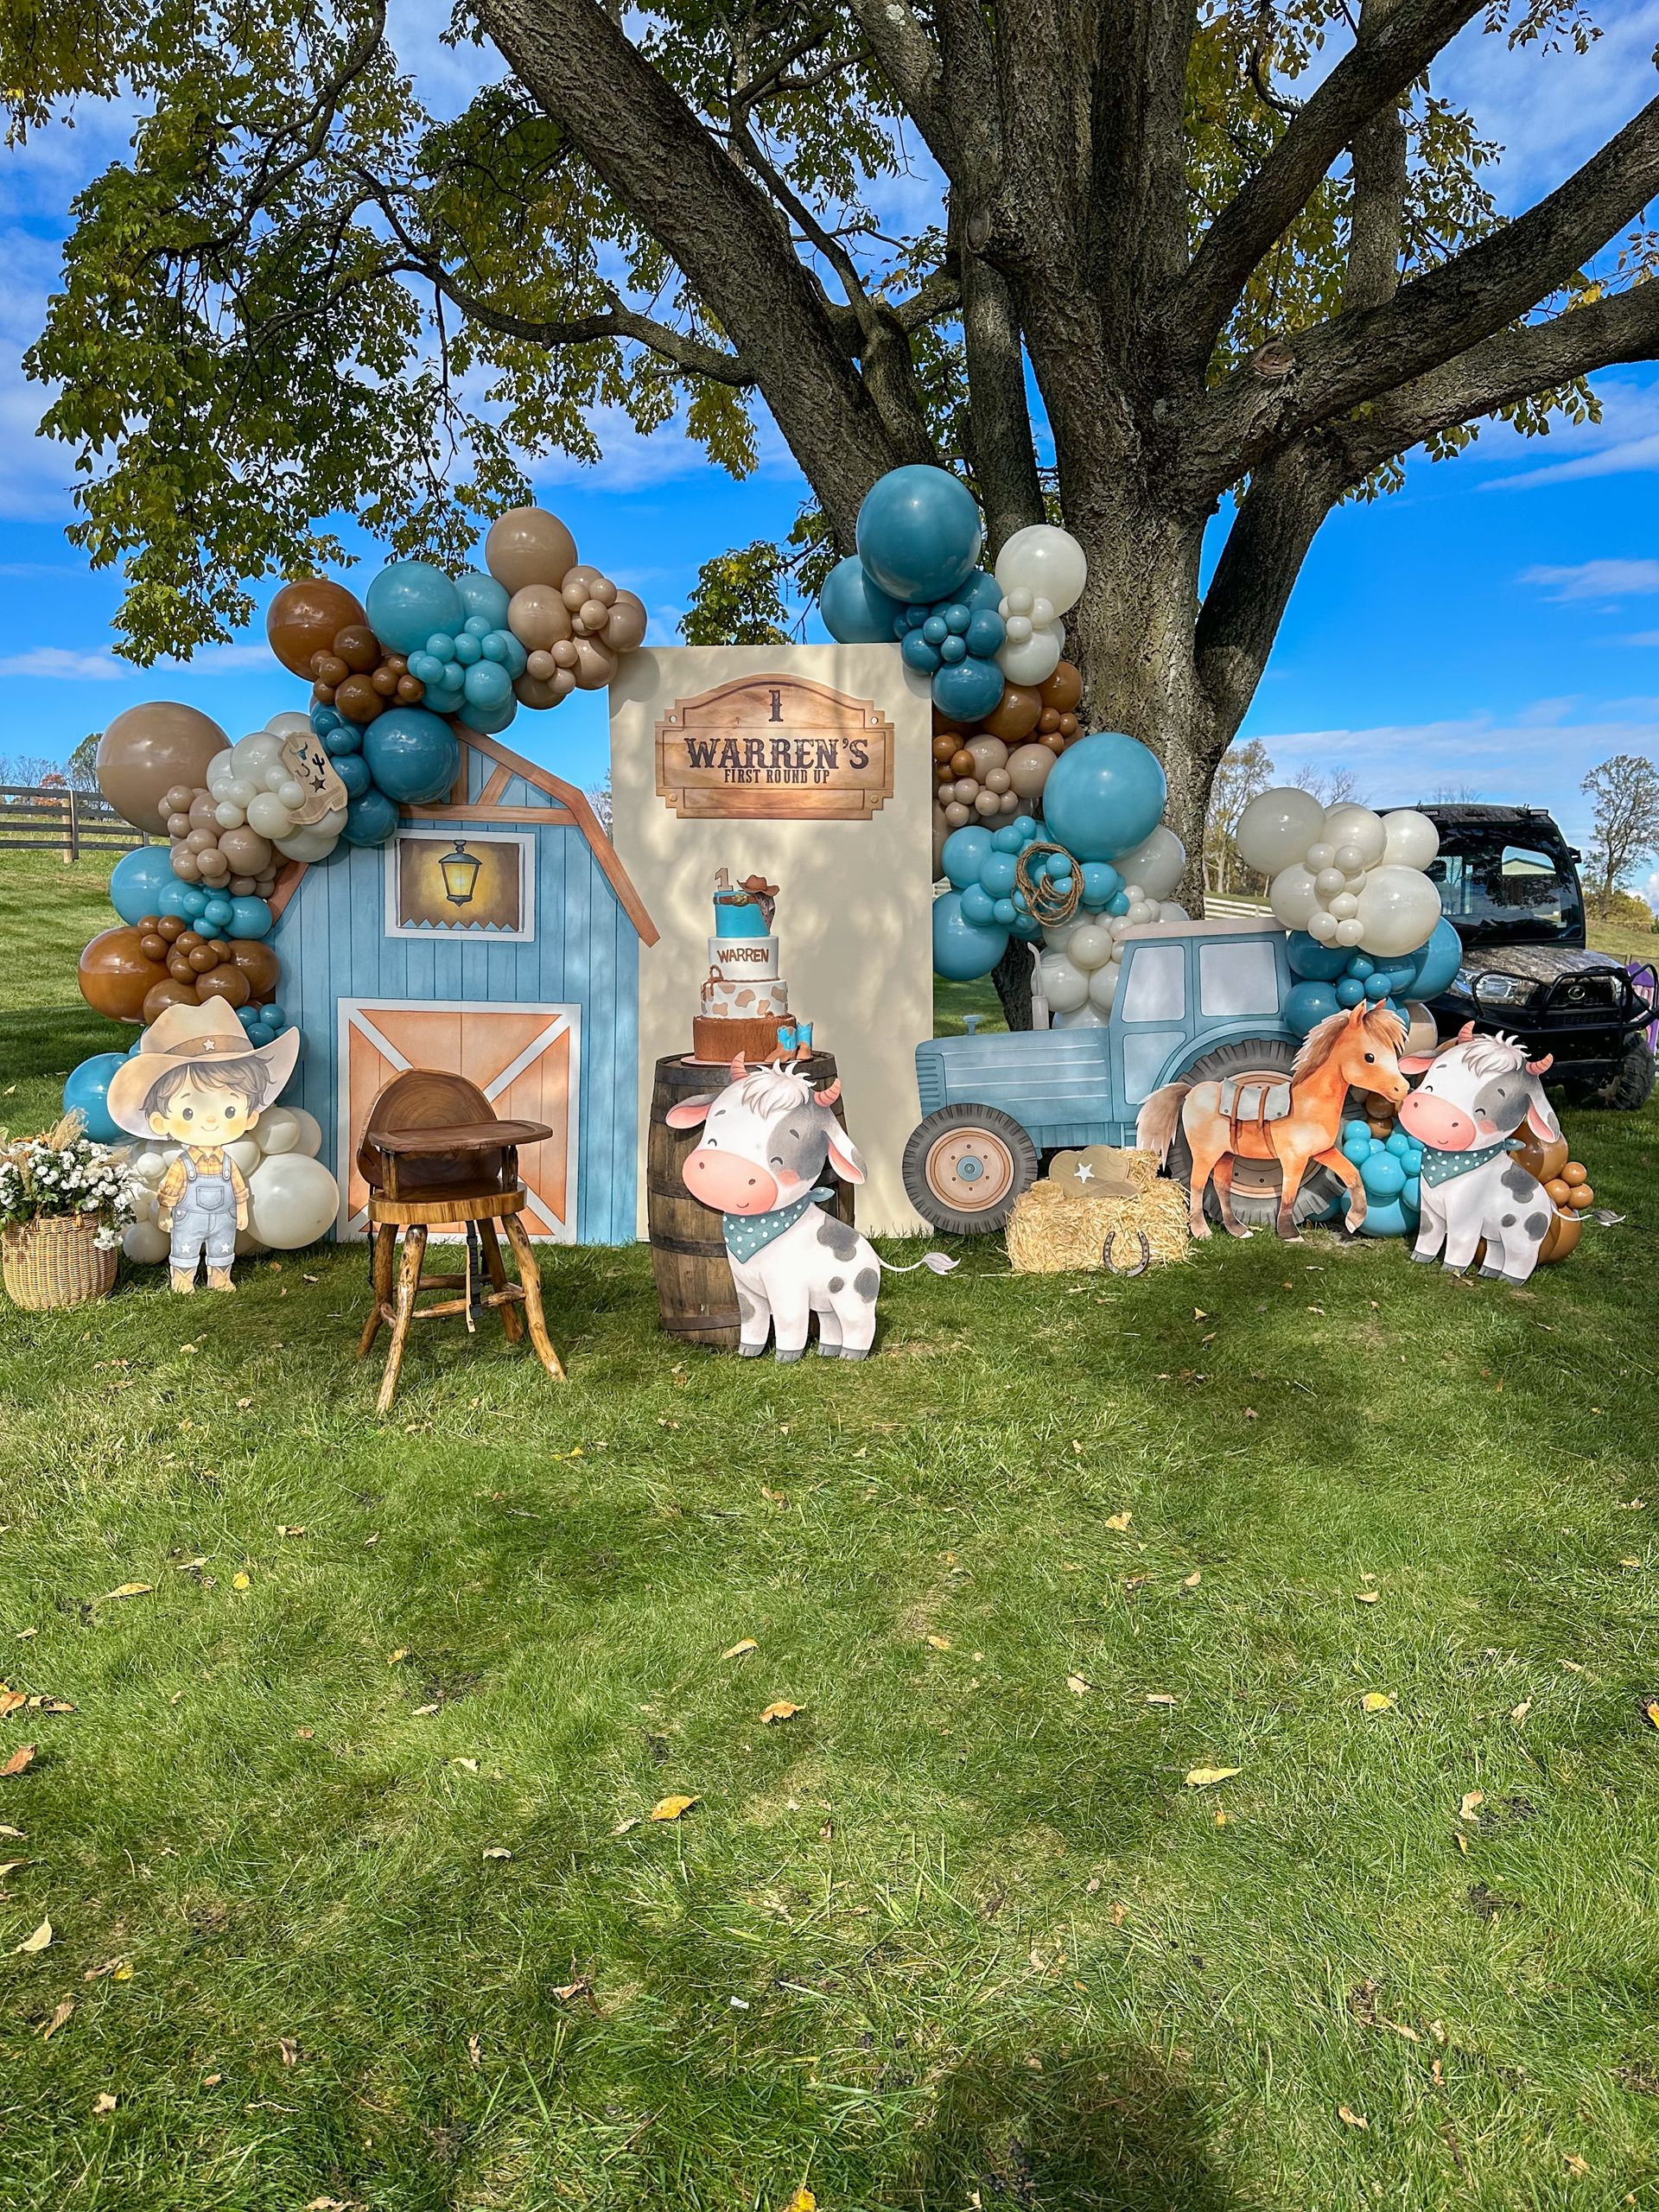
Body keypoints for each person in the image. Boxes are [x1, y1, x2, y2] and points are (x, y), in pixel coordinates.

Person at [106, 1001, 299, 1293]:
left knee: (223, 1246)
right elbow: (171, 1188)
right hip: (188, 1216)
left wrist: (242, 1210)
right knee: (185, 1247)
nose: (211, 1119)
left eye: (230, 1110)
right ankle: (183, 1278)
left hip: (224, 1217)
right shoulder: (183, 1164)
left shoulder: (226, 1161)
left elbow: (236, 1185)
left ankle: (220, 1276)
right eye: (188, 1112)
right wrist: (168, 1211)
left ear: (250, 1116)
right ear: (161, 1122)